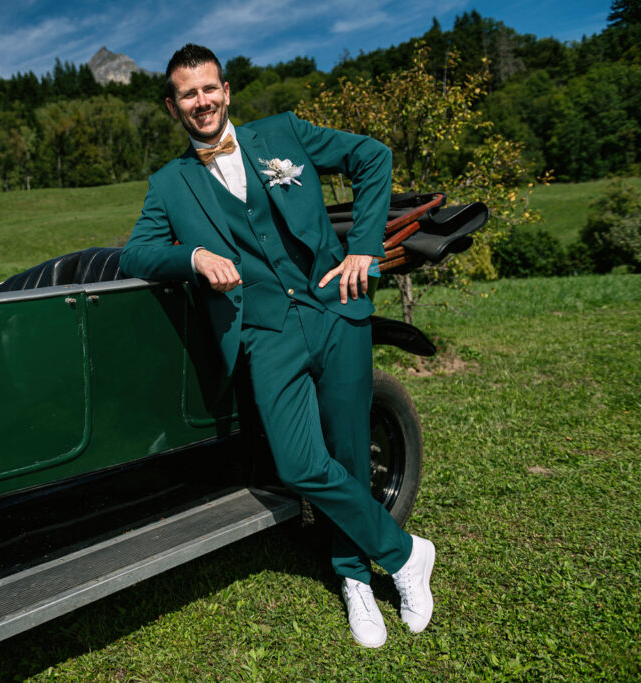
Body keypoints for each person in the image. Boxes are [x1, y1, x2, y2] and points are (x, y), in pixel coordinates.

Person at [120, 44, 435, 648]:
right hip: (263, 333)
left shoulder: (283, 133)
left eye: (209, 89)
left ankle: (355, 579)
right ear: (172, 105)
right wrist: (192, 256)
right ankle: (405, 553)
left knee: (347, 449)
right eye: (188, 94)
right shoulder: (169, 183)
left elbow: (372, 156)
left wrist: (364, 249)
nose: (202, 102)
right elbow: (135, 252)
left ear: (227, 91)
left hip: (334, 311)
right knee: (297, 464)